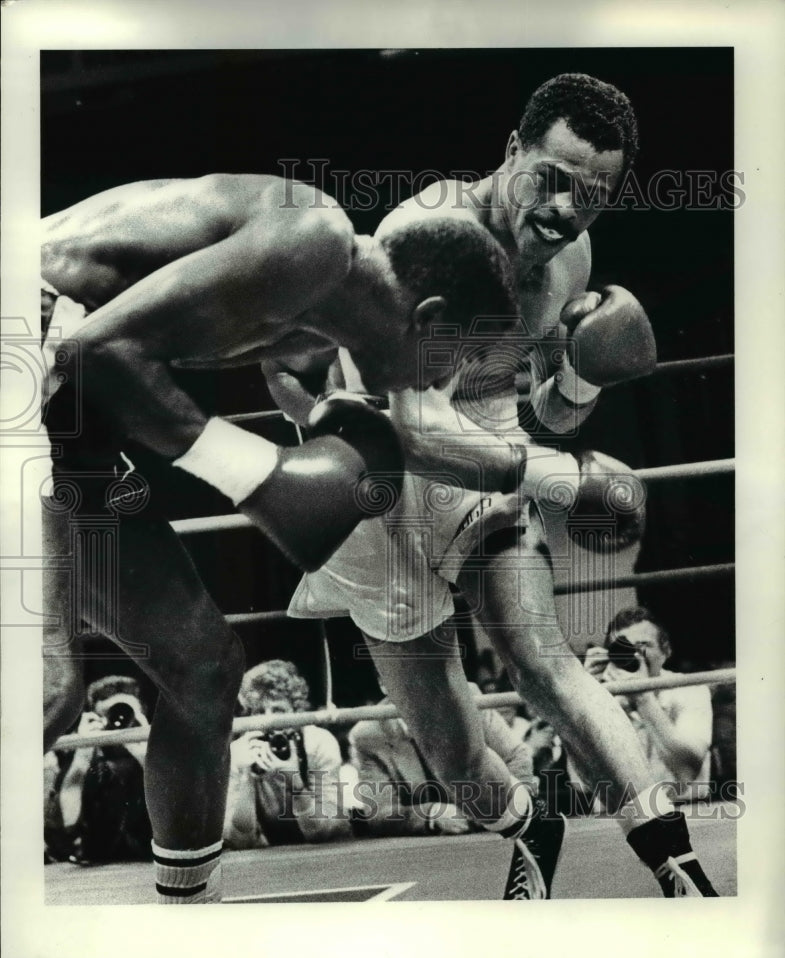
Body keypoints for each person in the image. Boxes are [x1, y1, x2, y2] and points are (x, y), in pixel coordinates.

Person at [287, 74, 719, 898]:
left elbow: (548, 417)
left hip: (484, 434)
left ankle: (678, 867)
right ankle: (529, 824)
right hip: (378, 464)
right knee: (453, 756)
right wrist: (560, 482)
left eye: (589, 196)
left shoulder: (570, 260)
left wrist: (585, 382)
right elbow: (416, 433)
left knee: (539, 655)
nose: (563, 210)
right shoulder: (426, 240)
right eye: (549, 180)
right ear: (510, 152)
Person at [40, 173, 518, 902]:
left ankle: (191, 920)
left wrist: (524, 455)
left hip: (69, 417)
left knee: (202, 669)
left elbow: (438, 442)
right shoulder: (310, 238)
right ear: (429, 316)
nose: (444, 382)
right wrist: (260, 475)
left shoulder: (317, 320)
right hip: (27, 354)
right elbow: (90, 354)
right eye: (458, 359)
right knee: (46, 690)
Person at [349, 679, 535, 838]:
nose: (416, 684)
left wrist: (507, 808)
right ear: (383, 684)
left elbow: (517, 756)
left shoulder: (466, 696)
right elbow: (379, 813)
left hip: (498, 830)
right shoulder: (368, 734)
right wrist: (430, 814)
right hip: (434, 846)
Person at [581, 607, 713, 800]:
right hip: (621, 819)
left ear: (666, 649)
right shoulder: (599, 694)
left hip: (685, 811)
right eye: (623, 648)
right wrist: (581, 695)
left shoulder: (690, 688)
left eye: (642, 645)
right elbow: (581, 783)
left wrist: (643, 697)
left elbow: (686, 771)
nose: (634, 655)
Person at [223, 661, 350, 849]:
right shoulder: (239, 751)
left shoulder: (319, 743)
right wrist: (246, 780)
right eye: (259, 711)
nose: (268, 720)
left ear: (296, 711)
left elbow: (328, 831)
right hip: (269, 859)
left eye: (278, 710)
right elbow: (239, 841)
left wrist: (296, 784)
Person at [45, 675, 152, 865]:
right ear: (95, 715)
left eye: (126, 713)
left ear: (142, 712)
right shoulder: (82, 758)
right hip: (94, 853)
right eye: (111, 714)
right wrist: (82, 753)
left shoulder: (160, 751)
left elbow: (179, 814)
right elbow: (66, 828)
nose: (119, 720)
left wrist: (147, 753)